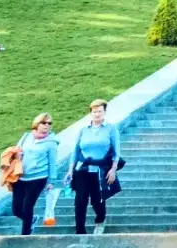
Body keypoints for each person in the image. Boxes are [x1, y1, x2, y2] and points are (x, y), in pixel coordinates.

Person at [65, 97, 122, 233]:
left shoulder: (110, 129)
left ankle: (100, 218)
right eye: (94, 112)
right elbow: (76, 150)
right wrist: (70, 169)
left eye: (100, 111)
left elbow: (116, 151)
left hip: (100, 169)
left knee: (97, 200)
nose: (97, 114)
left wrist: (113, 169)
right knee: (80, 199)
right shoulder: (83, 129)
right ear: (91, 113)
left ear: (104, 112)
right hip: (82, 169)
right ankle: (80, 229)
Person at [9, 112, 61, 234]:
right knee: (16, 209)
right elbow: (16, 151)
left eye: (49, 123)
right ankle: (31, 220)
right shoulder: (26, 136)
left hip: (39, 178)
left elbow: (53, 163)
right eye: (44, 123)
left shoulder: (51, 142)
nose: (47, 125)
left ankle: (25, 235)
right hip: (21, 177)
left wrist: (51, 181)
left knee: (28, 206)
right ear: (37, 124)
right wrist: (17, 155)